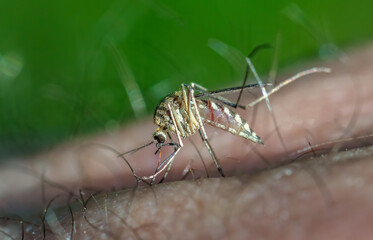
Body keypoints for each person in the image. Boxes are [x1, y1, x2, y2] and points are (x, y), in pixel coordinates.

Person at [0, 46, 372, 239]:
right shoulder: (165, 127)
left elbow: (187, 99)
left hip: (206, 106)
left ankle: (245, 98)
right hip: (195, 109)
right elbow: (175, 143)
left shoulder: (170, 119)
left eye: (161, 141)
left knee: (195, 97)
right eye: (162, 142)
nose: (165, 144)